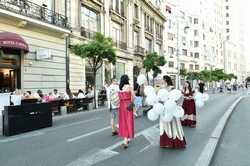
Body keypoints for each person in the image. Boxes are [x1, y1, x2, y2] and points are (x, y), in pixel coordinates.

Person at [159, 75, 186, 148]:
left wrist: (175, 105)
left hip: (171, 109)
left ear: (166, 80)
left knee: (173, 124)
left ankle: (174, 143)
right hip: (164, 109)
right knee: (164, 125)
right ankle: (165, 143)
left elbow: (178, 97)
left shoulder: (172, 88)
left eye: (163, 79)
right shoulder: (162, 88)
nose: (162, 80)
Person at [118, 74, 135, 149]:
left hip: (121, 106)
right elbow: (133, 96)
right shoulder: (129, 87)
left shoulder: (120, 88)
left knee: (124, 122)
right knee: (129, 122)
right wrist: (132, 102)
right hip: (128, 105)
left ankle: (127, 138)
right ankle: (125, 140)